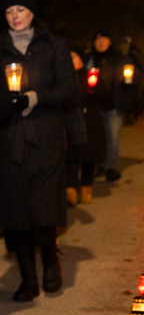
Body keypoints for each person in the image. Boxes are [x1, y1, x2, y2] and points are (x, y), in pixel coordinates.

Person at [0, 0, 76, 301]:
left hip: (45, 139)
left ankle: (51, 260)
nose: (15, 16)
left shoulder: (53, 45)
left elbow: (69, 89)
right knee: (15, 213)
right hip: (9, 140)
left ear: (32, 12)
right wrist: (5, 102)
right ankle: (28, 278)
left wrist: (37, 97)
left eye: (20, 10)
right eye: (9, 11)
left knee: (43, 207)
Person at [85, 29, 130, 182]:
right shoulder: (90, 58)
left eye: (103, 39)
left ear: (109, 41)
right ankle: (100, 165)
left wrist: (129, 80)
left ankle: (110, 167)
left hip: (113, 105)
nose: (100, 42)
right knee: (98, 136)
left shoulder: (119, 57)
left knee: (112, 136)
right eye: (97, 40)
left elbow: (132, 73)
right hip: (95, 104)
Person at [66, 49, 105, 204]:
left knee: (89, 155)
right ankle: (71, 189)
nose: (71, 60)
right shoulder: (65, 76)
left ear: (81, 59)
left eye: (74, 56)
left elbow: (105, 97)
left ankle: (86, 187)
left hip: (91, 122)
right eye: (69, 57)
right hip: (72, 120)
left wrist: (95, 89)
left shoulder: (90, 75)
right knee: (72, 156)